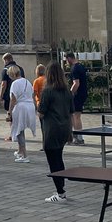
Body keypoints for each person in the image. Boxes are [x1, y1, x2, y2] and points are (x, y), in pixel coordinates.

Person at [38, 59, 73, 202]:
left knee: (53, 161)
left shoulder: (48, 91)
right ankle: (61, 188)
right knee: (59, 157)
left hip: (52, 128)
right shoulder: (67, 91)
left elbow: (41, 112)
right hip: (64, 127)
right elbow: (71, 112)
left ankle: (60, 192)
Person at [6, 65, 36, 163]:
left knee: (19, 131)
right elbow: (32, 94)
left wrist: (9, 112)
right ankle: (20, 151)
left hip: (21, 107)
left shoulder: (15, 83)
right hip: (30, 106)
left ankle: (24, 155)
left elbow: (13, 99)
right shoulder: (27, 81)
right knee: (21, 129)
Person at [66, 53, 88, 144]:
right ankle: (74, 136)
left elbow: (76, 83)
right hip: (83, 93)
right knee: (74, 115)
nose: (67, 62)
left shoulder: (75, 68)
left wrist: (70, 93)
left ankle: (79, 138)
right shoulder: (81, 66)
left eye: (67, 60)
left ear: (70, 58)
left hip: (77, 94)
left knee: (76, 116)